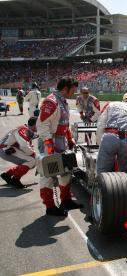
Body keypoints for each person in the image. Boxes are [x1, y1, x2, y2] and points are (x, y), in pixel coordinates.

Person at [37, 78, 82, 217]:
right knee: (48, 175)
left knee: (66, 172)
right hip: (49, 143)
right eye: (72, 90)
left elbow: (64, 123)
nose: (73, 93)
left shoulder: (63, 101)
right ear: (64, 88)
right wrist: (48, 144)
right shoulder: (51, 101)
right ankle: (50, 207)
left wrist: (70, 138)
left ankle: (66, 201)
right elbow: (42, 125)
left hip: (61, 143)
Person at [96, 92, 127, 174]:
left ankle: (100, 185)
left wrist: (99, 142)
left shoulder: (112, 105)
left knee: (102, 171)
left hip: (110, 137)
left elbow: (101, 124)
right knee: (125, 173)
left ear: (123, 100)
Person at [0, 117, 38, 188]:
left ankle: (7, 175)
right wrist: (32, 153)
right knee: (31, 161)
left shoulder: (26, 128)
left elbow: (26, 144)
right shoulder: (23, 129)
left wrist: (32, 153)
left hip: (7, 148)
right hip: (6, 149)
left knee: (29, 161)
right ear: (34, 125)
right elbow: (24, 145)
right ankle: (15, 179)